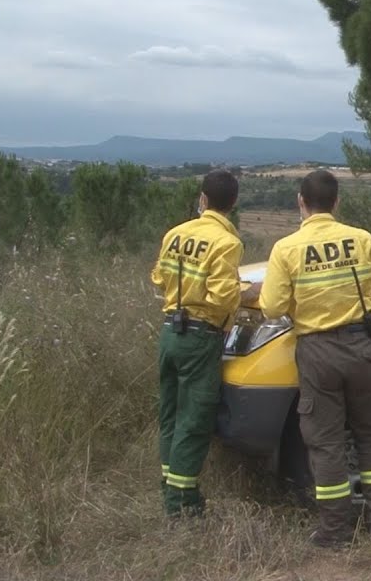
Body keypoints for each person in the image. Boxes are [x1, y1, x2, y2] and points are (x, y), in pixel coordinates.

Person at [260, 168, 371, 548]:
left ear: (301, 203)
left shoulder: (286, 249)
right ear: (337, 202)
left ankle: (336, 531)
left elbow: (272, 307)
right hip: (362, 347)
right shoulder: (361, 240)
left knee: (326, 443)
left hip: (317, 352)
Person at [150, 169, 257, 517]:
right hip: (201, 337)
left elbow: (158, 277)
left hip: (169, 332)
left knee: (170, 415)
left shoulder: (175, 234)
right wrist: (247, 292)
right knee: (194, 421)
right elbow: (222, 299)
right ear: (234, 203)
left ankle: (169, 486)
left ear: (203, 199)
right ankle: (182, 504)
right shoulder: (227, 243)